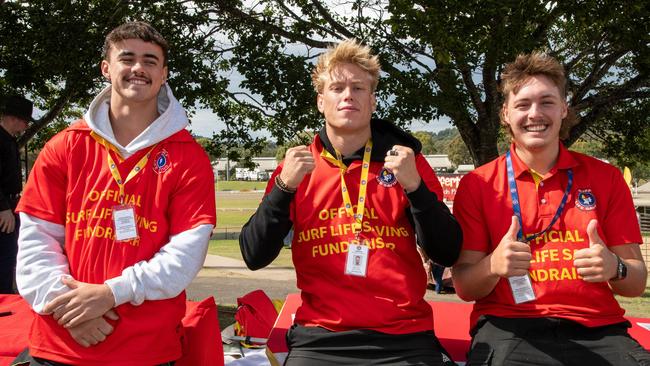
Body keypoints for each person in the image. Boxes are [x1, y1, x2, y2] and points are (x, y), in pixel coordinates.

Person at [239, 39, 463, 365]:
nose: (348, 95)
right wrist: (284, 187)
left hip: (403, 339)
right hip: (319, 339)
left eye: (359, 88)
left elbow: (447, 251)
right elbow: (253, 254)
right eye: (337, 87)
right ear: (320, 101)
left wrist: (414, 187)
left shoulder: (405, 162)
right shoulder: (296, 168)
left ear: (372, 101)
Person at [14, 21, 216, 365]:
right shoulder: (65, 146)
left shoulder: (188, 156)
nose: (139, 68)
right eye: (128, 58)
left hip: (146, 350)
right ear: (107, 68)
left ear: (164, 74)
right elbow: (37, 242)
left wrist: (111, 294)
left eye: (150, 60)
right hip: (61, 343)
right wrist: (73, 312)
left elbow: (185, 255)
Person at [451, 52, 649, 365]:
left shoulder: (606, 178)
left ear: (564, 109)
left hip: (597, 328)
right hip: (510, 326)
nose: (535, 113)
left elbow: (637, 282)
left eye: (546, 102)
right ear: (505, 113)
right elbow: (464, 286)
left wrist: (614, 267)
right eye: (523, 104)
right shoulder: (478, 183)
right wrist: (493, 265)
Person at [0, 95, 32, 294]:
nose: (25, 127)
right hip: (3, 208)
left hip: (12, 204)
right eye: (24, 122)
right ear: (14, 118)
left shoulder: (9, 141)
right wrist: (3, 208)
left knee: (10, 254)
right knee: (5, 256)